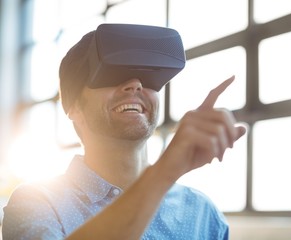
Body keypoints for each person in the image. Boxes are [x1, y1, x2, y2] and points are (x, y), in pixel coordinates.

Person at [2, 24, 246, 240]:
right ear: (74, 106)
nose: (136, 84)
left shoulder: (203, 213)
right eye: (111, 74)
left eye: (149, 77)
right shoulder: (36, 203)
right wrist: (165, 171)